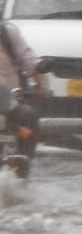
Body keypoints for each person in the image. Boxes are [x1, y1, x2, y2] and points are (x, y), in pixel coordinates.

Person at [0, 18, 46, 161]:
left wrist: (42, 86)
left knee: (28, 119)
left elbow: (28, 60)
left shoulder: (7, 33)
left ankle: (23, 162)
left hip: (8, 100)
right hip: (8, 99)